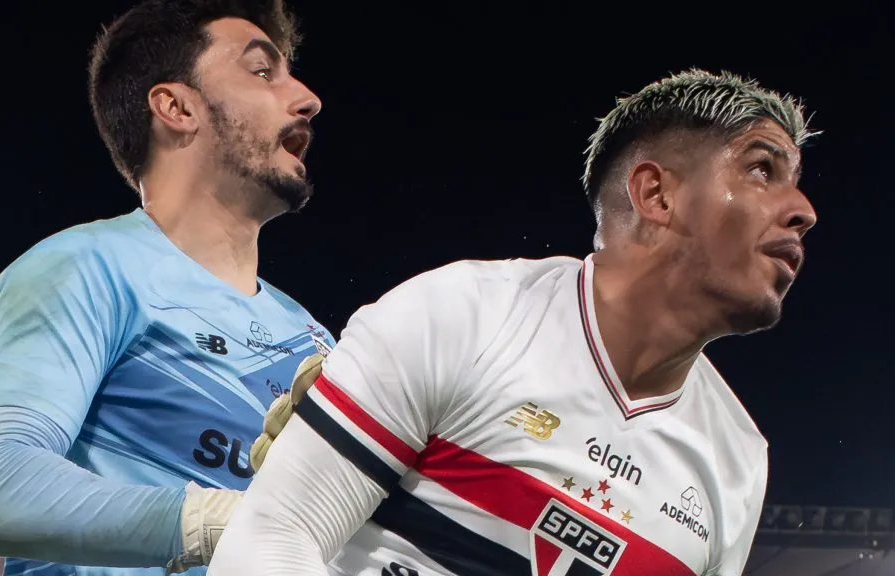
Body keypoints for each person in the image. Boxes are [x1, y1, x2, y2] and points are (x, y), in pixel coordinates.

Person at [209, 69, 819, 576]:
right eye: (762, 170)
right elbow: (267, 541)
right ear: (656, 196)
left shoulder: (738, 462)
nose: (804, 211)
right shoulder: (463, 317)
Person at [0, 1, 332, 575]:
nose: (306, 98)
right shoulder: (88, 267)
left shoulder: (313, 338)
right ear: (176, 107)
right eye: (261, 71)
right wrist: (240, 523)